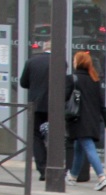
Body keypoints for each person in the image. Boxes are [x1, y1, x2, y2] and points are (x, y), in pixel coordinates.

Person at [18, 39, 71, 181]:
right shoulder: (61, 62)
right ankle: (54, 167)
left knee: (36, 136)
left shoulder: (31, 62)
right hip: (54, 105)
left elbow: (23, 83)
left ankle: (42, 169)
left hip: (35, 104)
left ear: (44, 48)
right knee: (54, 135)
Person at [65, 51, 106, 190]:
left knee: (88, 147)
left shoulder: (72, 78)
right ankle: (73, 176)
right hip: (92, 120)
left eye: (74, 60)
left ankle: (102, 177)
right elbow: (101, 104)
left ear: (78, 62)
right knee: (79, 148)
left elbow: (64, 97)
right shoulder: (94, 79)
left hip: (78, 119)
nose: (73, 62)